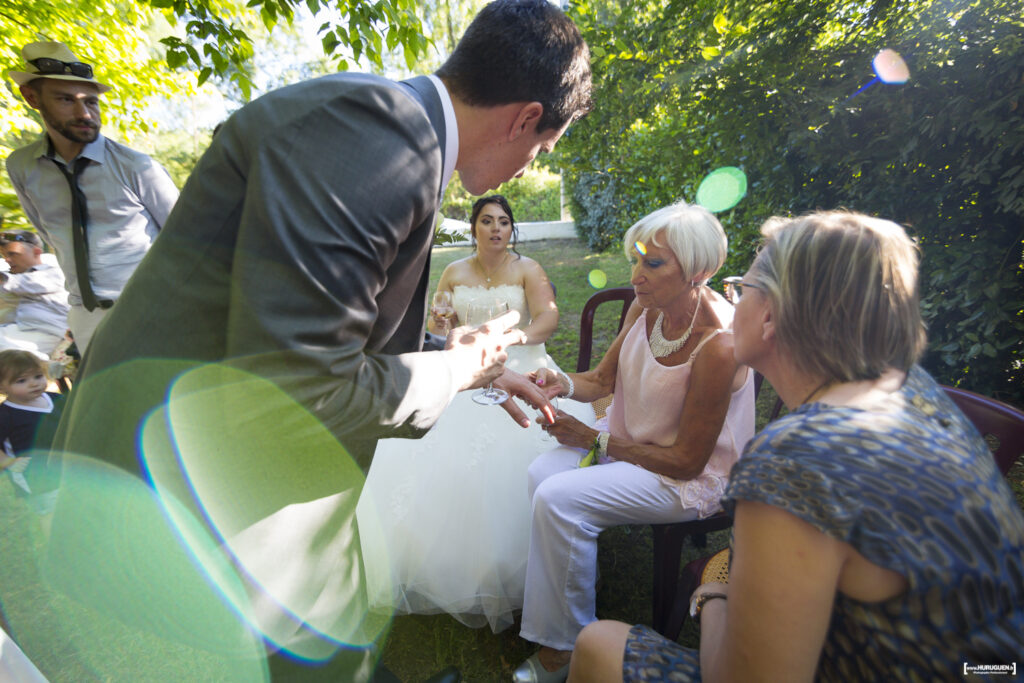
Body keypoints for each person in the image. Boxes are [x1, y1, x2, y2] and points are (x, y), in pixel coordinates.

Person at [38, 2, 592, 680]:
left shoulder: (387, 127)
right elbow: (300, 385)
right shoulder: (379, 137)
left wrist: (472, 364)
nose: (528, 166)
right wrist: (454, 373)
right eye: (542, 150)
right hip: (181, 460)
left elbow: (320, 311)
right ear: (526, 117)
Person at [570, 211, 1024, 682]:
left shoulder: (793, 462)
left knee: (598, 644)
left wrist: (713, 595)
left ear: (770, 316)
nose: (729, 302)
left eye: (739, 288)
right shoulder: (915, 393)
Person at [511, 201, 756, 682]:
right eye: (636, 260)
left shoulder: (719, 344)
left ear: (698, 271)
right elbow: (602, 380)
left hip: (690, 478)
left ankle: (565, 648)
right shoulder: (647, 308)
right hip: (634, 445)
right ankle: (573, 581)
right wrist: (559, 381)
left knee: (561, 498)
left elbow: (687, 462)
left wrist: (592, 442)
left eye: (653, 263)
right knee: (542, 473)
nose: (637, 276)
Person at [358, 195, 596, 633]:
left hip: (522, 368)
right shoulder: (453, 271)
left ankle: (525, 570)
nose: (495, 228)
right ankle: (436, 565)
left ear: (511, 229)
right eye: (486, 220)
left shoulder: (528, 270)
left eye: (503, 221)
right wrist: (443, 323)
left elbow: (548, 318)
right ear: (474, 228)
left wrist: (515, 337)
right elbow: (443, 327)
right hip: (468, 375)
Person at [5, 40, 179, 352]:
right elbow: (49, 235)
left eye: (92, 102)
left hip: (154, 313)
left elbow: (189, 236)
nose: (84, 113)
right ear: (32, 98)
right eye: (66, 100)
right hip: (85, 318)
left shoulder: (136, 166)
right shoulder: (21, 166)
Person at [0, 350, 65, 516]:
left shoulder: (55, 399)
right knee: (49, 511)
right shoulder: (6, 415)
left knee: (68, 502)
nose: (34, 384)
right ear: (2, 386)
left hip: (63, 465)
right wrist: (8, 462)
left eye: (38, 376)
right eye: (21, 380)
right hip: (33, 474)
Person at [0, 231, 69, 358]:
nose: (7, 260)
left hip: (47, 333)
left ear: (36, 252)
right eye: (4, 255)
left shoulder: (54, 272)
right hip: (20, 330)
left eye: (13, 254)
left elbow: (18, 283)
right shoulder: (19, 275)